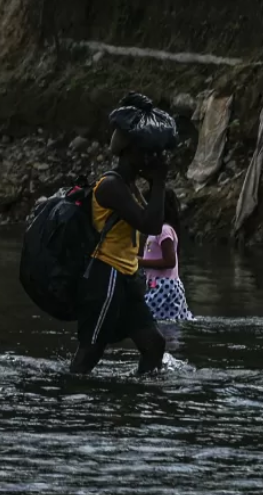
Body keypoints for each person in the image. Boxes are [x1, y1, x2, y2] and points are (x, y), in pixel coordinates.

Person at [69, 127, 168, 375]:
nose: (149, 157)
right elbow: (152, 225)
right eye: (144, 151)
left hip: (126, 276)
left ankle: (136, 399)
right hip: (106, 274)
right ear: (128, 152)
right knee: (92, 349)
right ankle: (71, 401)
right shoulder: (111, 186)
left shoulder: (129, 185)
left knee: (154, 344)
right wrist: (159, 182)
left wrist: (156, 183)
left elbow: (154, 222)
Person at [139, 189, 193, 321]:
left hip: (164, 287)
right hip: (159, 285)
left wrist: (139, 262)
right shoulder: (155, 231)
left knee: (149, 321)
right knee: (166, 322)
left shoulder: (164, 231)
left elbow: (170, 262)